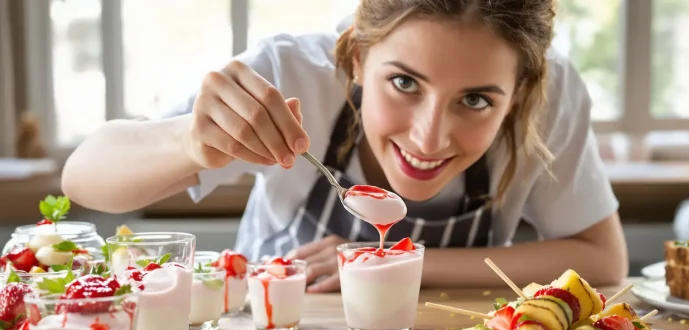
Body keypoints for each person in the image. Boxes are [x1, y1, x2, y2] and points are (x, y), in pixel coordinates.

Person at [62, 0, 628, 293]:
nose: (428, 138)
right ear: (358, 58)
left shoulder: (550, 98)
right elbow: (83, 180)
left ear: (520, 92)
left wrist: (399, 262)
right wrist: (189, 140)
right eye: (404, 83)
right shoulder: (291, 74)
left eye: (476, 101)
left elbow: (603, 262)